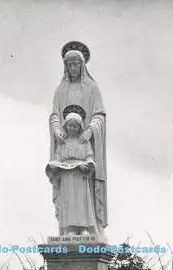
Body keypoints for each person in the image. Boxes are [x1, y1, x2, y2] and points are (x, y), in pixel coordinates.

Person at [48, 41, 107, 240]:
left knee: (84, 192)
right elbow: (55, 114)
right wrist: (57, 129)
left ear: (82, 66)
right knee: (68, 193)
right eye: (69, 65)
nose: (73, 68)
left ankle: (89, 228)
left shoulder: (91, 87)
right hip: (66, 147)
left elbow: (99, 114)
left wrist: (90, 130)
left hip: (84, 144)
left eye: (76, 64)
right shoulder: (60, 89)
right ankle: (69, 226)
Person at [46, 105, 97, 236]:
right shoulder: (63, 143)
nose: (72, 129)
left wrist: (86, 165)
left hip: (80, 176)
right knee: (69, 202)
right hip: (67, 176)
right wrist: (55, 165)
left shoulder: (84, 142)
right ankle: (71, 228)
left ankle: (84, 227)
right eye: (70, 126)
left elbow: (89, 156)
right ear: (66, 126)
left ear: (79, 127)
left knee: (81, 201)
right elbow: (58, 157)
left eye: (75, 126)